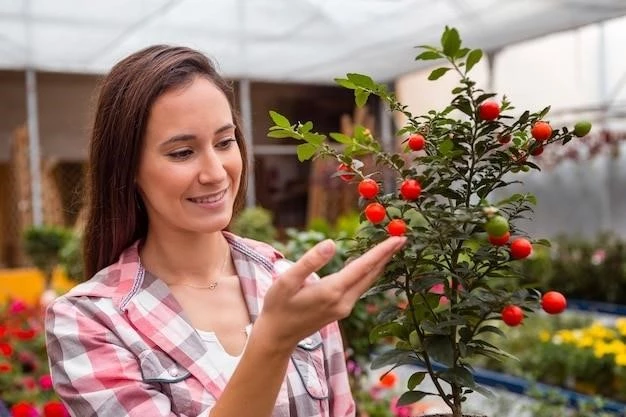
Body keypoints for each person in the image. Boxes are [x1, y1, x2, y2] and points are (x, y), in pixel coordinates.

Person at [44, 44, 406, 417]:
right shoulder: (91, 321)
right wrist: (272, 342)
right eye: (182, 152)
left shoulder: (291, 284)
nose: (216, 172)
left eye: (224, 142)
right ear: (128, 169)